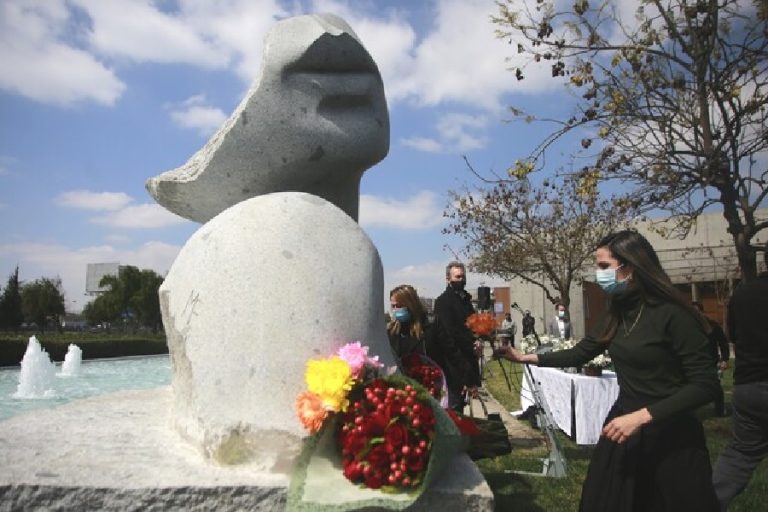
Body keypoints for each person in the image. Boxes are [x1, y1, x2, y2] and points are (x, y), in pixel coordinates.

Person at [497, 230, 719, 511]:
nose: (598, 274)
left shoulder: (674, 314)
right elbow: (581, 352)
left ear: (631, 267)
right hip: (624, 427)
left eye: (604, 266)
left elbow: (705, 385)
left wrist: (642, 417)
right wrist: (524, 357)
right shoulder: (617, 311)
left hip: (670, 432)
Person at [712, 242, 768, 510]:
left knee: (741, 453)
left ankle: (707, 503)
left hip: (749, 386)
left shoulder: (743, 293)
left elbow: (733, 334)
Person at [431, 261, 480, 413]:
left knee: (461, 409)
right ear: (448, 279)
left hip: (468, 360)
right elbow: (448, 336)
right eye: (457, 277)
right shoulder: (443, 301)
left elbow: (473, 326)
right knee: (454, 409)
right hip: (453, 366)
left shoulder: (465, 300)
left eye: (463, 277)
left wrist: (478, 340)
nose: (461, 280)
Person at [694, 302, 731, 417]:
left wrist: (724, 359)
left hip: (712, 361)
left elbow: (723, 343)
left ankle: (720, 410)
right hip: (694, 362)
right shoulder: (688, 327)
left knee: (716, 386)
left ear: (702, 312)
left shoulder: (713, 326)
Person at [387, 284, 428, 362]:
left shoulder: (429, 328)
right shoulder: (390, 332)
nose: (395, 310)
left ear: (410, 305)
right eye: (393, 306)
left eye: (399, 306)